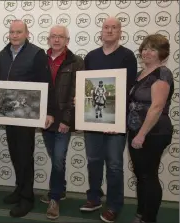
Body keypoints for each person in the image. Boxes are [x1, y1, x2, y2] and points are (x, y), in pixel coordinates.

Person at [80, 17, 137, 223]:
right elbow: (85, 85)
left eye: (114, 27)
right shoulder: (91, 56)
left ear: (120, 31)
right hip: (92, 119)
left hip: (116, 122)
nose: (110, 30)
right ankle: (94, 198)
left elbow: (129, 89)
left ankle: (114, 205)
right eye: (106, 27)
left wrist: (117, 121)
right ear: (101, 31)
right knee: (94, 161)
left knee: (114, 165)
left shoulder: (128, 56)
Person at [0, 20, 55, 218]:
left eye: (18, 32)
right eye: (12, 32)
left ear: (27, 33)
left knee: (24, 155)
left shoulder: (37, 53)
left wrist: (48, 112)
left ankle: (27, 198)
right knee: (14, 152)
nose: (14, 35)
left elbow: (46, 83)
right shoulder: (3, 54)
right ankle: (19, 188)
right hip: (8, 112)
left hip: (28, 113)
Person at [127, 34, 173, 223]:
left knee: (149, 176)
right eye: (145, 48)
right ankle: (141, 213)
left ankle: (149, 218)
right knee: (141, 175)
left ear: (161, 53)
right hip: (136, 131)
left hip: (152, 133)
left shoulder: (162, 73)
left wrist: (142, 134)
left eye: (152, 49)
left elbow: (157, 107)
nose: (147, 52)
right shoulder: (140, 73)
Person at [40, 25, 84, 220]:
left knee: (58, 159)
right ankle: (61, 188)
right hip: (44, 118)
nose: (56, 40)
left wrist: (67, 120)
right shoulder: (40, 60)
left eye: (61, 37)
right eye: (53, 36)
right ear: (48, 39)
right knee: (54, 156)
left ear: (67, 40)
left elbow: (77, 93)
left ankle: (55, 198)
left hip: (63, 120)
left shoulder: (76, 62)